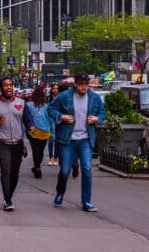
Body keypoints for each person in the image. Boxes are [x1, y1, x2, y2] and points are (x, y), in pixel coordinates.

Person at [48, 71, 105, 212]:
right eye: (81, 85)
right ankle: (60, 192)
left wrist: (97, 119)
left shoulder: (94, 98)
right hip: (67, 140)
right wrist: (62, 117)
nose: (83, 88)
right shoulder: (64, 96)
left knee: (86, 169)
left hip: (85, 139)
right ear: (75, 84)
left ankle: (86, 201)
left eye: (86, 85)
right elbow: (51, 109)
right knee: (65, 170)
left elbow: (102, 113)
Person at [0, 76, 34, 212]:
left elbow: (28, 119)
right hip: (2, 142)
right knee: (6, 170)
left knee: (15, 172)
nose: (9, 87)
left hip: (17, 142)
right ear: (1, 88)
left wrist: (31, 127)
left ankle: (9, 195)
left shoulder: (21, 103)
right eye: (5, 85)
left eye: (10, 85)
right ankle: (7, 200)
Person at [27, 85, 52, 179]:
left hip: (32, 130)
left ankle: (37, 166)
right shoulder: (47, 106)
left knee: (35, 149)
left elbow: (26, 118)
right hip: (45, 131)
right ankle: (37, 166)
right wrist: (51, 130)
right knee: (41, 150)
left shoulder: (28, 105)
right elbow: (50, 119)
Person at [47, 84, 60, 165]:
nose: (55, 90)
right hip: (50, 118)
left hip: (59, 118)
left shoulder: (61, 97)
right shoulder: (48, 98)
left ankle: (55, 158)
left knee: (57, 139)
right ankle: (50, 157)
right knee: (51, 138)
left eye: (56, 88)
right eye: (54, 88)